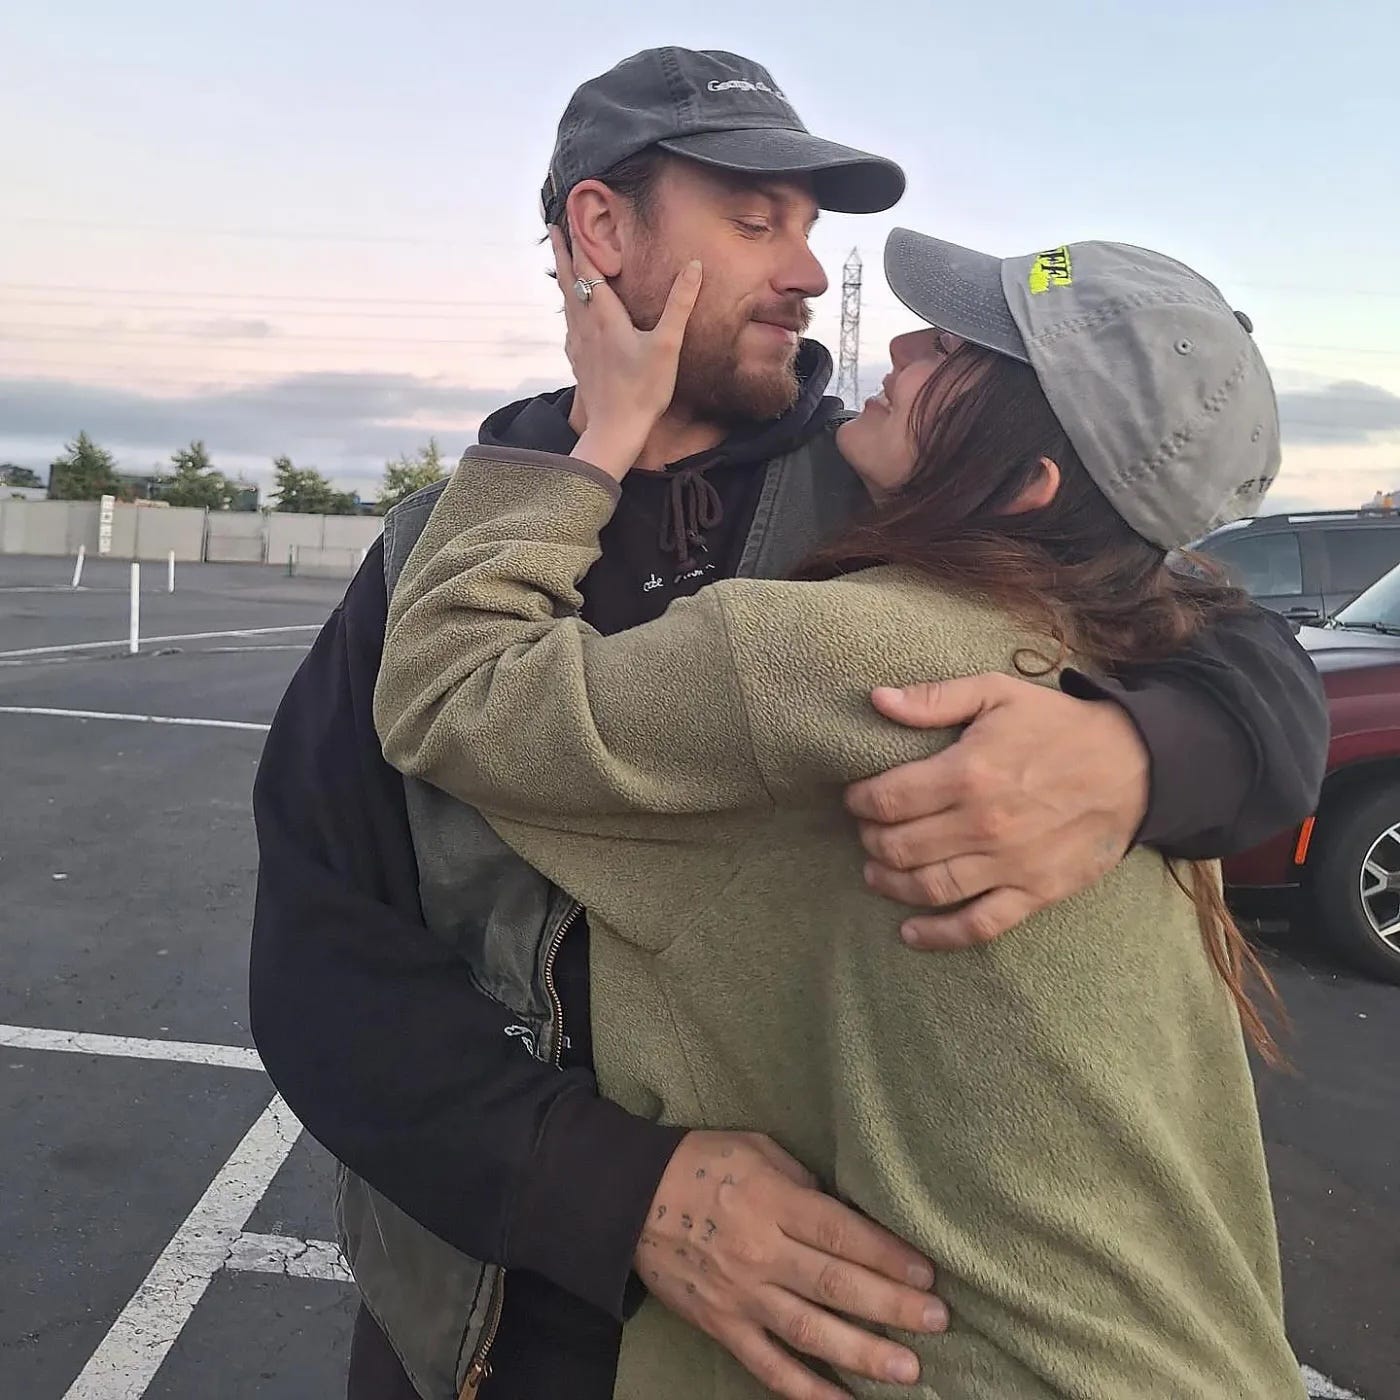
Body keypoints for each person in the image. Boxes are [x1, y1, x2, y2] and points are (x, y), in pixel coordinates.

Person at [249, 46, 1326, 1400]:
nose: (814, 273)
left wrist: (1137, 753)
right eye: (757, 222)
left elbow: (1243, 653)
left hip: (809, 1356)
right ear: (601, 233)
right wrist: (606, 1191)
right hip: (486, 1329)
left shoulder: (908, 516)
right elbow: (317, 956)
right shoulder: (432, 557)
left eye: (812, 230)